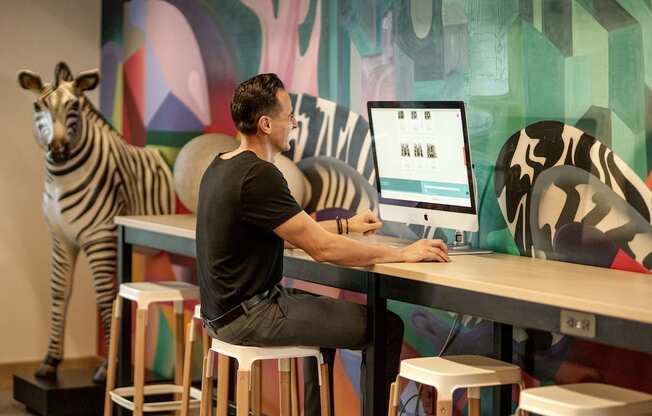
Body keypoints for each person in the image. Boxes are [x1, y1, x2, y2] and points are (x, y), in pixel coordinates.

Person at [196, 73, 450, 415]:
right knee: (387, 327)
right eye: (290, 118)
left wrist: (348, 224)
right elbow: (323, 250)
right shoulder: (260, 175)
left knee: (324, 321)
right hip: (252, 316)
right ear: (267, 124)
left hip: (222, 315)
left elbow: (292, 231)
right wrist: (402, 253)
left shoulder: (221, 165)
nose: (294, 125)